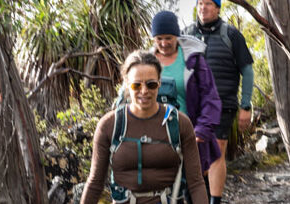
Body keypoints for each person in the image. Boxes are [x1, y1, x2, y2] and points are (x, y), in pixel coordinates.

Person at [80, 50, 208, 203]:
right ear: (126, 84)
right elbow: (95, 183)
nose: (144, 91)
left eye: (151, 84)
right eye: (136, 85)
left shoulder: (180, 123)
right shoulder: (109, 125)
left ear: (159, 83)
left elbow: (196, 182)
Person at [183, 0, 254, 204]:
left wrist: (245, 105)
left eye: (208, 4)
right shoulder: (185, 35)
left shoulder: (231, 35)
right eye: (200, 3)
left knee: (216, 151)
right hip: (191, 105)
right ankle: (196, 195)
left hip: (223, 103)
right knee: (192, 151)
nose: (203, 8)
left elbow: (248, 71)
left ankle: (214, 201)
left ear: (218, 8)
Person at [151, 10, 222, 195]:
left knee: (194, 187)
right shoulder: (146, 63)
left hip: (190, 135)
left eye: (169, 38)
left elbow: (210, 97)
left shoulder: (193, 60)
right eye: (159, 38)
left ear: (177, 36)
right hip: (156, 139)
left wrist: (202, 129)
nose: (164, 43)